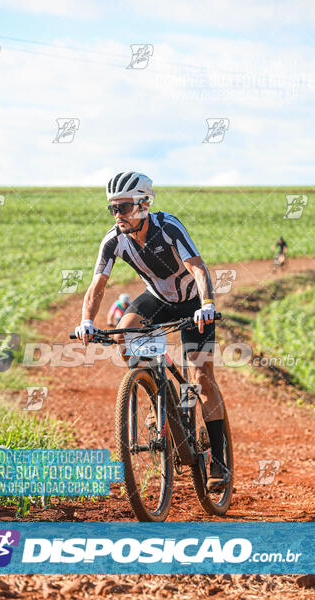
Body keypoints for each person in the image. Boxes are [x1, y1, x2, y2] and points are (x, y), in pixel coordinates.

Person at [75, 171, 228, 489]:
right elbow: (97, 286)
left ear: (144, 204)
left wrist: (208, 303)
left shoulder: (168, 227)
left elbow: (197, 267)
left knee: (201, 377)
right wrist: (86, 321)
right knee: (124, 332)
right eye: (113, 208)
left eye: (124, 207)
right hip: (157, 300)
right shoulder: (113, 240)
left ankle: (219, 460)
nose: (118, 215)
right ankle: (154, 398)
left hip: (192, 302)